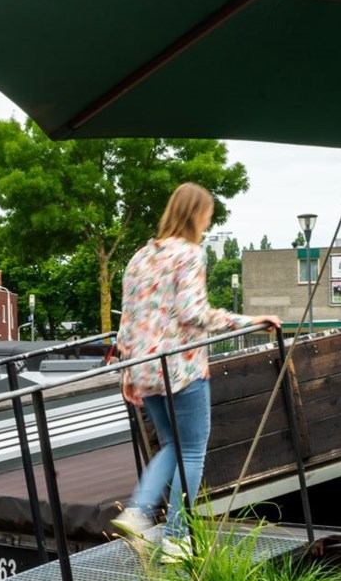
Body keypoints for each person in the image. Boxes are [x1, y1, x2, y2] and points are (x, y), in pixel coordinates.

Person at [110, 182, 281, 560]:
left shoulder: (140, 257)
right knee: (191, 450)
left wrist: (128, 372)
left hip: (145, 367)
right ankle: (176, 537)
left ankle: (139, 511)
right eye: (208, 215)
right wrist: (247, 321)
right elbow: (193, 313)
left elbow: (129, 318)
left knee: (171, 445)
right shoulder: (188, 254)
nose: (208, 222)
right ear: (196, 215)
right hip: (181, 367)